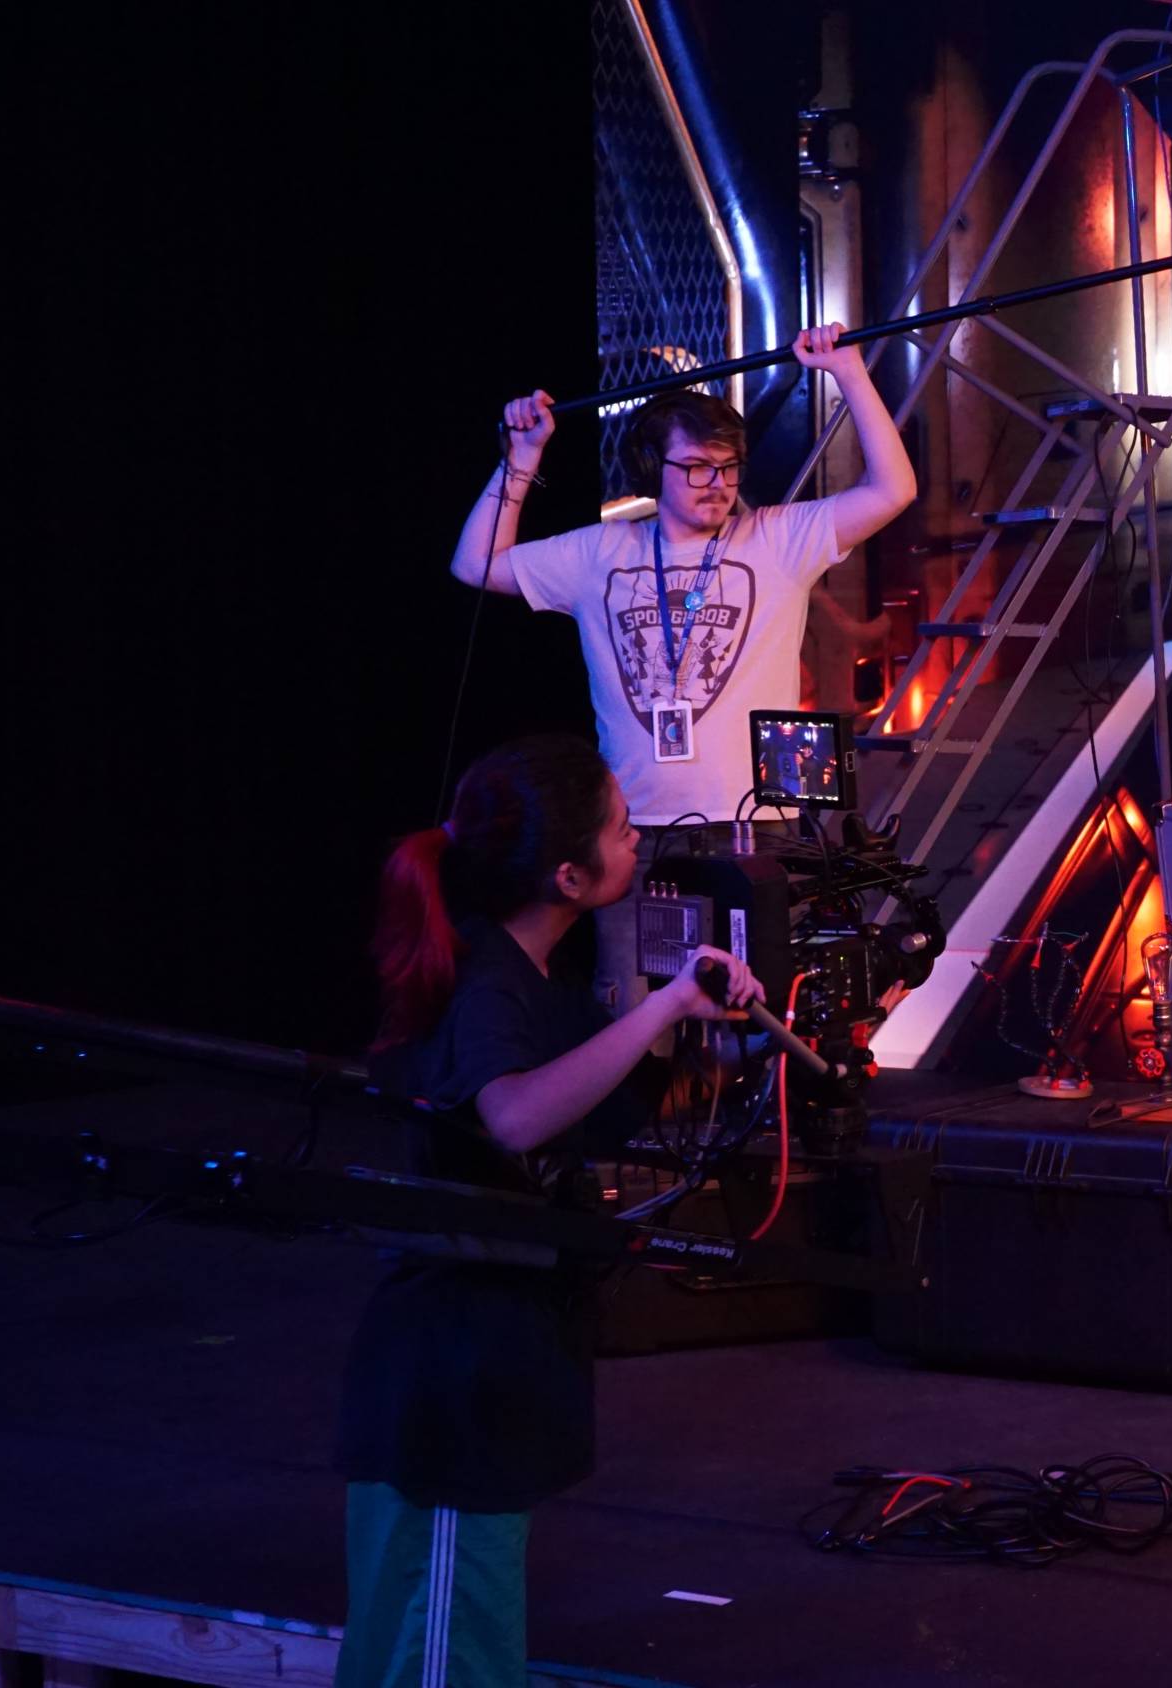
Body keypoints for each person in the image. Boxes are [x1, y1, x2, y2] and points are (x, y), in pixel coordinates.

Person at [337, 735, 761, 1687]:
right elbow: (519, 1114)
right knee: (446, 1660)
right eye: (620, 829)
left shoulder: (527, 977)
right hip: (454, 1386)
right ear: (570, 875)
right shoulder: (488, 982)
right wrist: (658, 1017)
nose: (637, 841)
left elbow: (587, 1096)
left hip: (487, 1368)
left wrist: (684, 1021)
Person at [451, 323, 917, 1011]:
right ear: (652, 470)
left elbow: (893, 490)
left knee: (755, 1019)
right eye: (697, 468)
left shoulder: (778, 538)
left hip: (752, 827)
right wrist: (522, 458)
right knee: (639, 1018)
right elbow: (474, 564)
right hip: (631, 836)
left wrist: (847, 372)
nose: (717, 485)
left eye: (729, 468)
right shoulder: (599, 551)